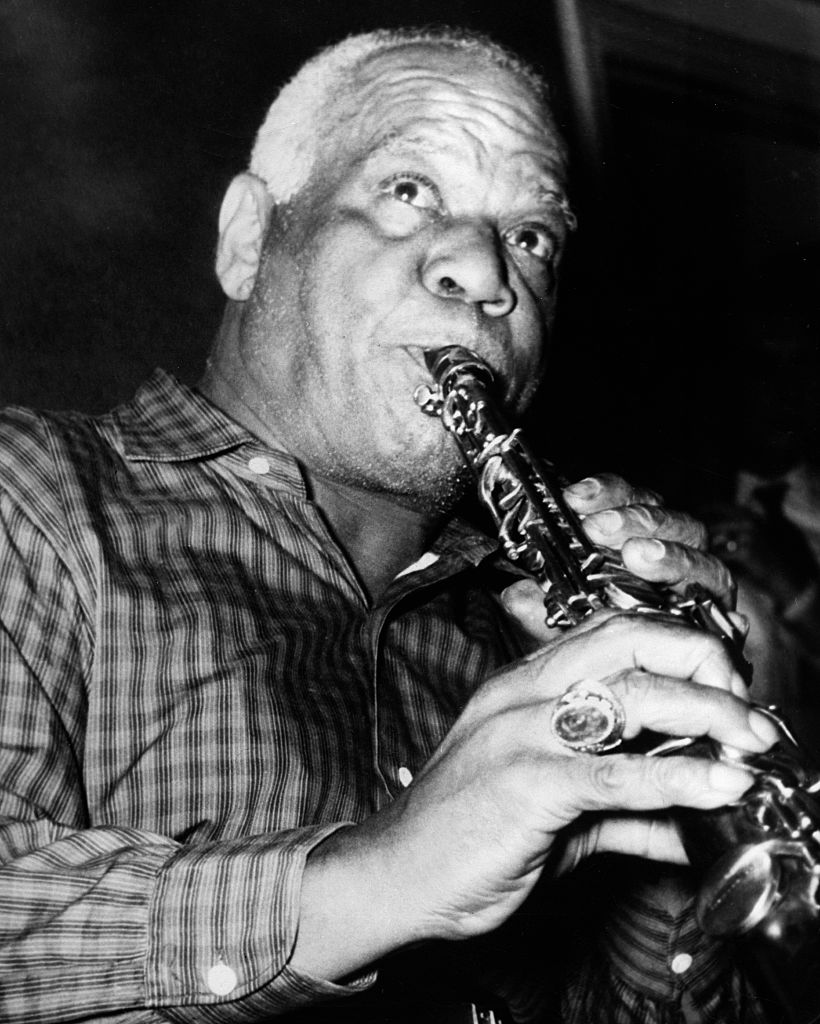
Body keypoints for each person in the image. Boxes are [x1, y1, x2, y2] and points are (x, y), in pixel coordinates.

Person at [0, 27, 781, 1024]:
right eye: (408, 191)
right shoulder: (30, 491)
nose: (486, 270)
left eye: (532, 238)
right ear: (250, 240)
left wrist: (667, 791)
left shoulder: (523, 645)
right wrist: (389, 871)